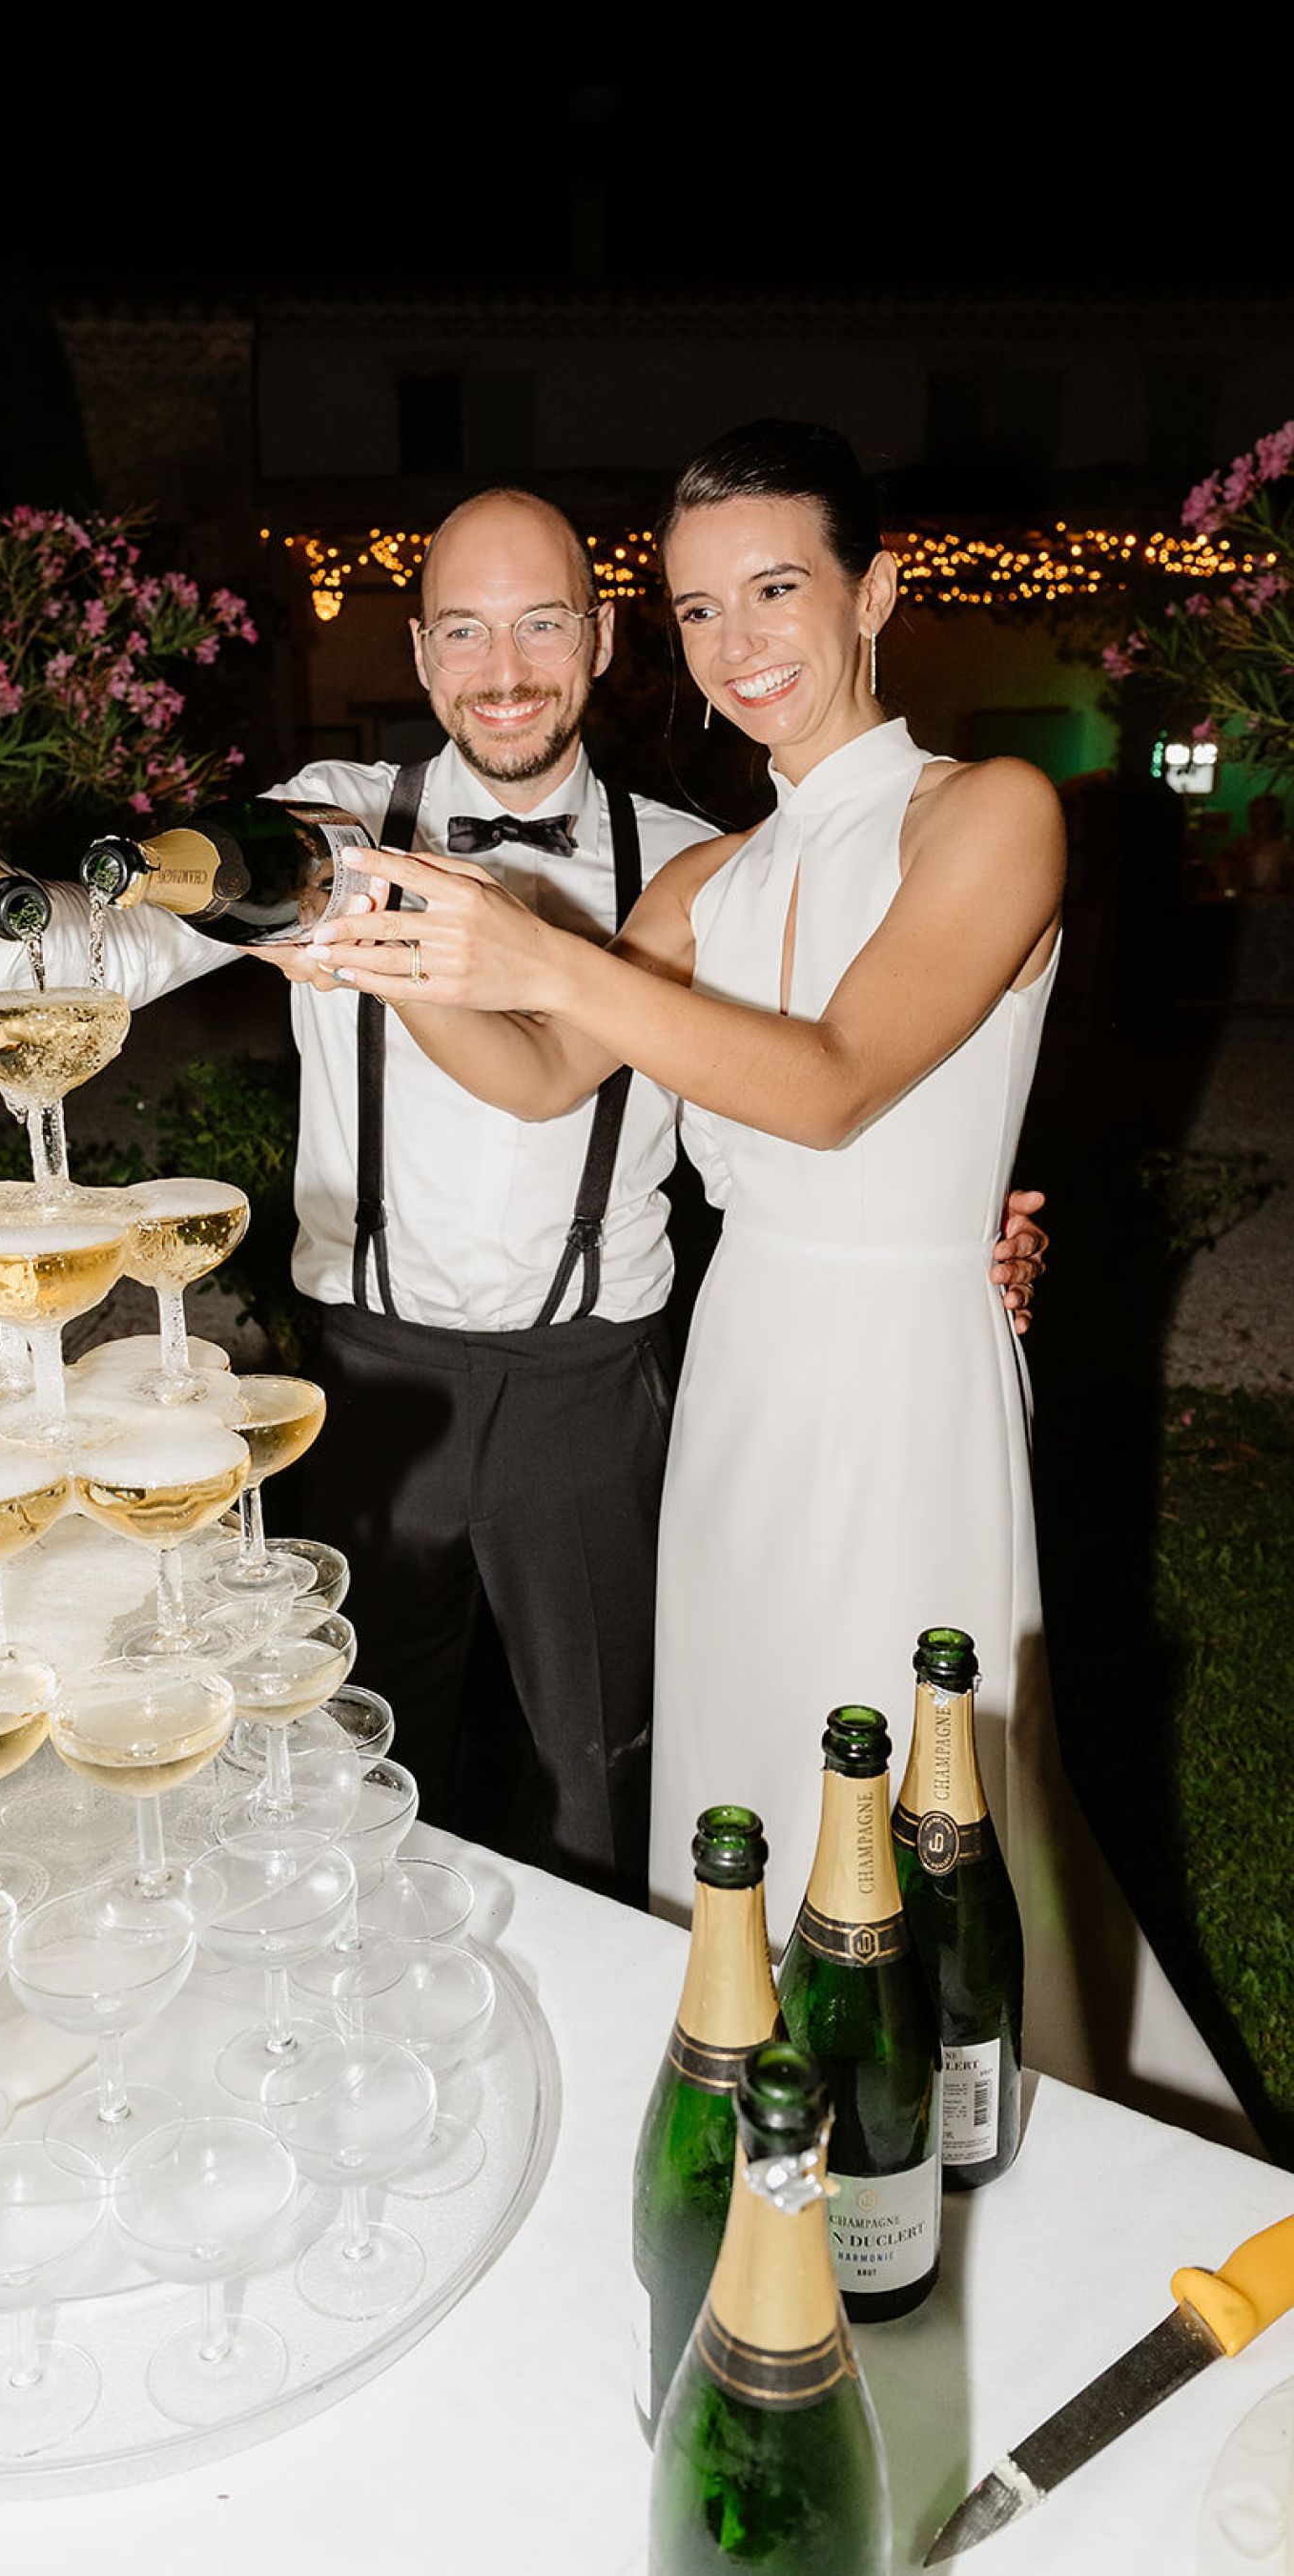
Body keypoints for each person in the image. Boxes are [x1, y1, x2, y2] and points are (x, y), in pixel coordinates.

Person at [0, 484, 1046, 1915]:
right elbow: (112, 947)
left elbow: (818, 1066)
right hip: (373, 1385)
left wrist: (954, 1214)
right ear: (421, 653)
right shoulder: (330, 820)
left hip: (595, 1391)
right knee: (355, 1756)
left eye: (542, 624)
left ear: (601, 639)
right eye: (466, 631)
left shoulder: (696, 856)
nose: (506, 671)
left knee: (617, 1765)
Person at [301, 423, 1248, 2137]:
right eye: (696, 609)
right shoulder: (703, 879)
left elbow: (830, 1085)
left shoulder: (992, 811)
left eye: (776, 588)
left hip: (905, 1371)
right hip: (740, 1373)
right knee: (740, 1765)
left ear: (875, 592)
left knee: (912, 1788)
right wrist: (386, 944)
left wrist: (538, 955)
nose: (736, 643)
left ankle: (947, 2130)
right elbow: (541, 1076)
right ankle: (757, 2124)